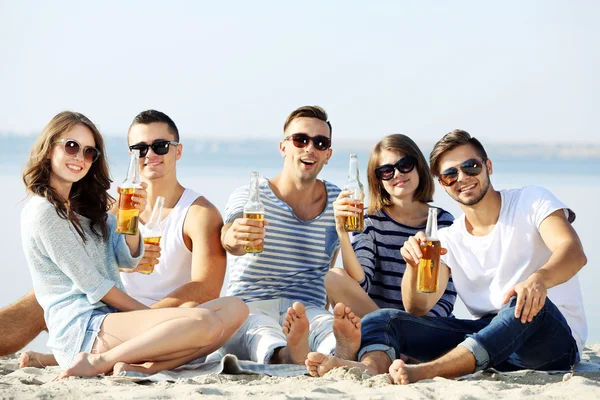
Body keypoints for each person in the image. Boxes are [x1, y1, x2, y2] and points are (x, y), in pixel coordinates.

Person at [305, 129, 587, 383]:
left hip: (550, 341)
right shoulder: (448, 237)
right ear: (442, 183)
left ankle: (426, 371)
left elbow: (572, 252)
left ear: (488, 166)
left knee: (522, 303)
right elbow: (418, 307)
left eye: (471, 166)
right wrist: (413, 266)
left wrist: (538, 279)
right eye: (451, 174)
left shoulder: (531, 200)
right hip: (491, 342)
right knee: (385, 319)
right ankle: (370, 367)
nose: (462, 178)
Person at [19, 111, 248, 376]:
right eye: (71, 147)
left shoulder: (87, 209)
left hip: (113, 320)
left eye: (89, 152)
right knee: (204, 321)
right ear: (48, 150)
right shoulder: (44, 211)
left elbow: (126, 257)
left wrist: (133, 218)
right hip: (85, 327)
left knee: (236, 308)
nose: (80, 158)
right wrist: (153, 318)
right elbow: (93, 284)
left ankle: (139, 367)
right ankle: (99, 363)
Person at [219, 105, 361, 365]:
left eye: (320, 143)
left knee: (324, 326)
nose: (310, 148)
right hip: (251, 304)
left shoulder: (337, 202)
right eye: (301, 140)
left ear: (328, 154)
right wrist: (234, 237)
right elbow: (230, 239)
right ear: (284, 147)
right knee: (259, 331)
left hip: (307, 308)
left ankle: (338, 351)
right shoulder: (251, 195)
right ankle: (288, 353)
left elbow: (329, 267)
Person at [325, 134, 456, 318]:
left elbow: (446, 297)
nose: (398, 174)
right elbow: (360, 286)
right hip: (381, 321)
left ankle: (393, 335)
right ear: (378, 180)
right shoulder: (370, 221)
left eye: (405, 165)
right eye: (387, 170)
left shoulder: (442, 222)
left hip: (426, 326)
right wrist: (342, 232)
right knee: (334, 277)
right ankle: (388, 334)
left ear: (418, 166)